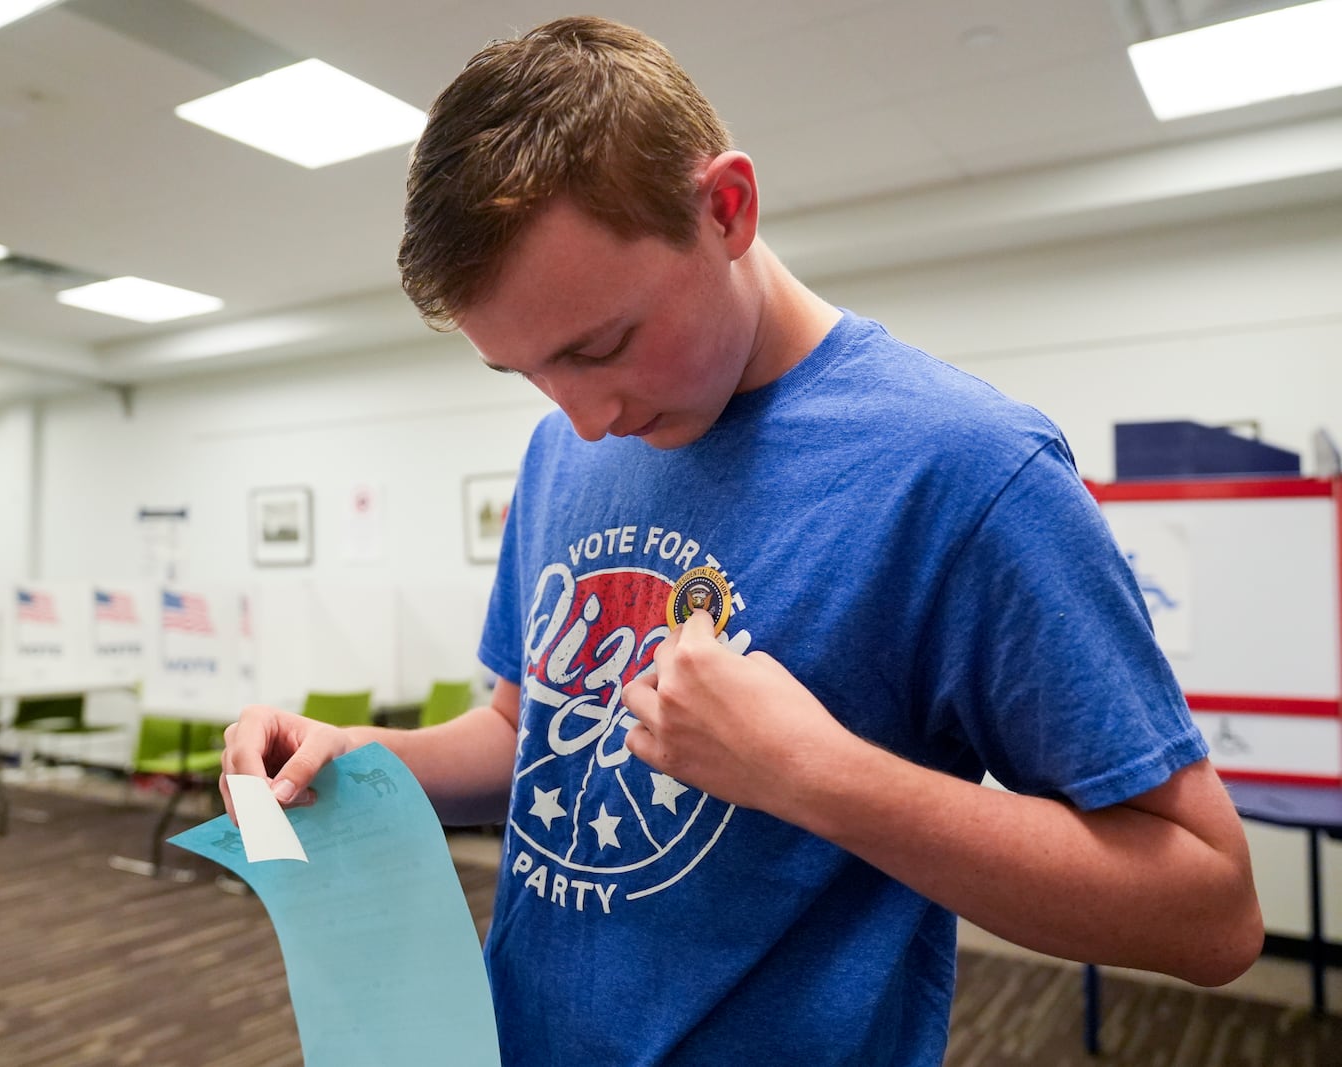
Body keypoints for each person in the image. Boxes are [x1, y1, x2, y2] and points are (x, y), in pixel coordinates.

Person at [222, 16, 1262, 1064]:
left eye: (603, 345)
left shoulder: (967, 470)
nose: (583, 416)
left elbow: (1209, 907)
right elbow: (525, 731)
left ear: (724, 208)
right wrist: (367, 757)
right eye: (531, 371)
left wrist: (815, 773)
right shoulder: (561, 452)